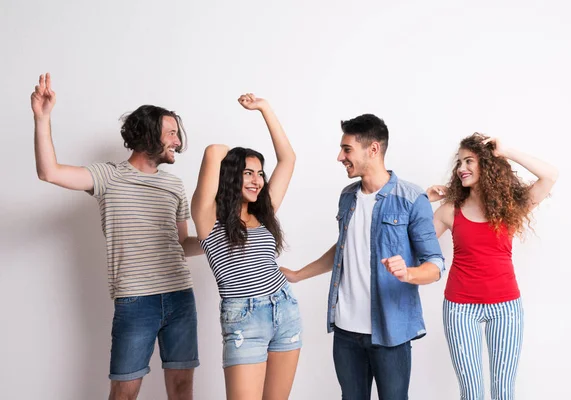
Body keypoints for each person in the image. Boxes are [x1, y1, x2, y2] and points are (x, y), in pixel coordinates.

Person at [32, 73, 203, 400]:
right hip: (136, 300)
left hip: (180, 297)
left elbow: (182, 245)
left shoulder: (174, 186)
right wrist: (43, 118)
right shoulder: (108, 176)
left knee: (182, 390)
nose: (178, 142)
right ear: (149, 134)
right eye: (171, 134)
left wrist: (215, 240)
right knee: (124, 392)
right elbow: (49, 172)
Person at [281, 114, 444, 400]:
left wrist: (408, 272)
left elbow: (435, 265)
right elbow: (343, 249)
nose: (339, 157)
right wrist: (297, 274)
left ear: (373, 149)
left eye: (347, 149)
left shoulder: (411, 198)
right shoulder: (347, 196)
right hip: (346, 330)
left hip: (390, 330)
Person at [426, 133, 559, 400]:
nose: (462, 168)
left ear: (487, 164)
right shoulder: (449, 210)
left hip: (506, 308)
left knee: (503, 392)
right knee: (471, 393)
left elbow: (550, 175)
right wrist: (422, 199)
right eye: (459, 163)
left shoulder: (510, 208)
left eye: (469, 161)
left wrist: (506, 151)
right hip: (460, 308)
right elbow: (413, 244)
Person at [191, 93, 300, 400]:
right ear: (230, 177)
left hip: (284, 309)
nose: (257, 180)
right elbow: (214, 151)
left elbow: (288, 159)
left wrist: (265, 108)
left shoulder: (264, 213)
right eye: (248, 173)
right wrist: (231, 157)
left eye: (260, 173)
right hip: (243, 319)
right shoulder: (208, 220)